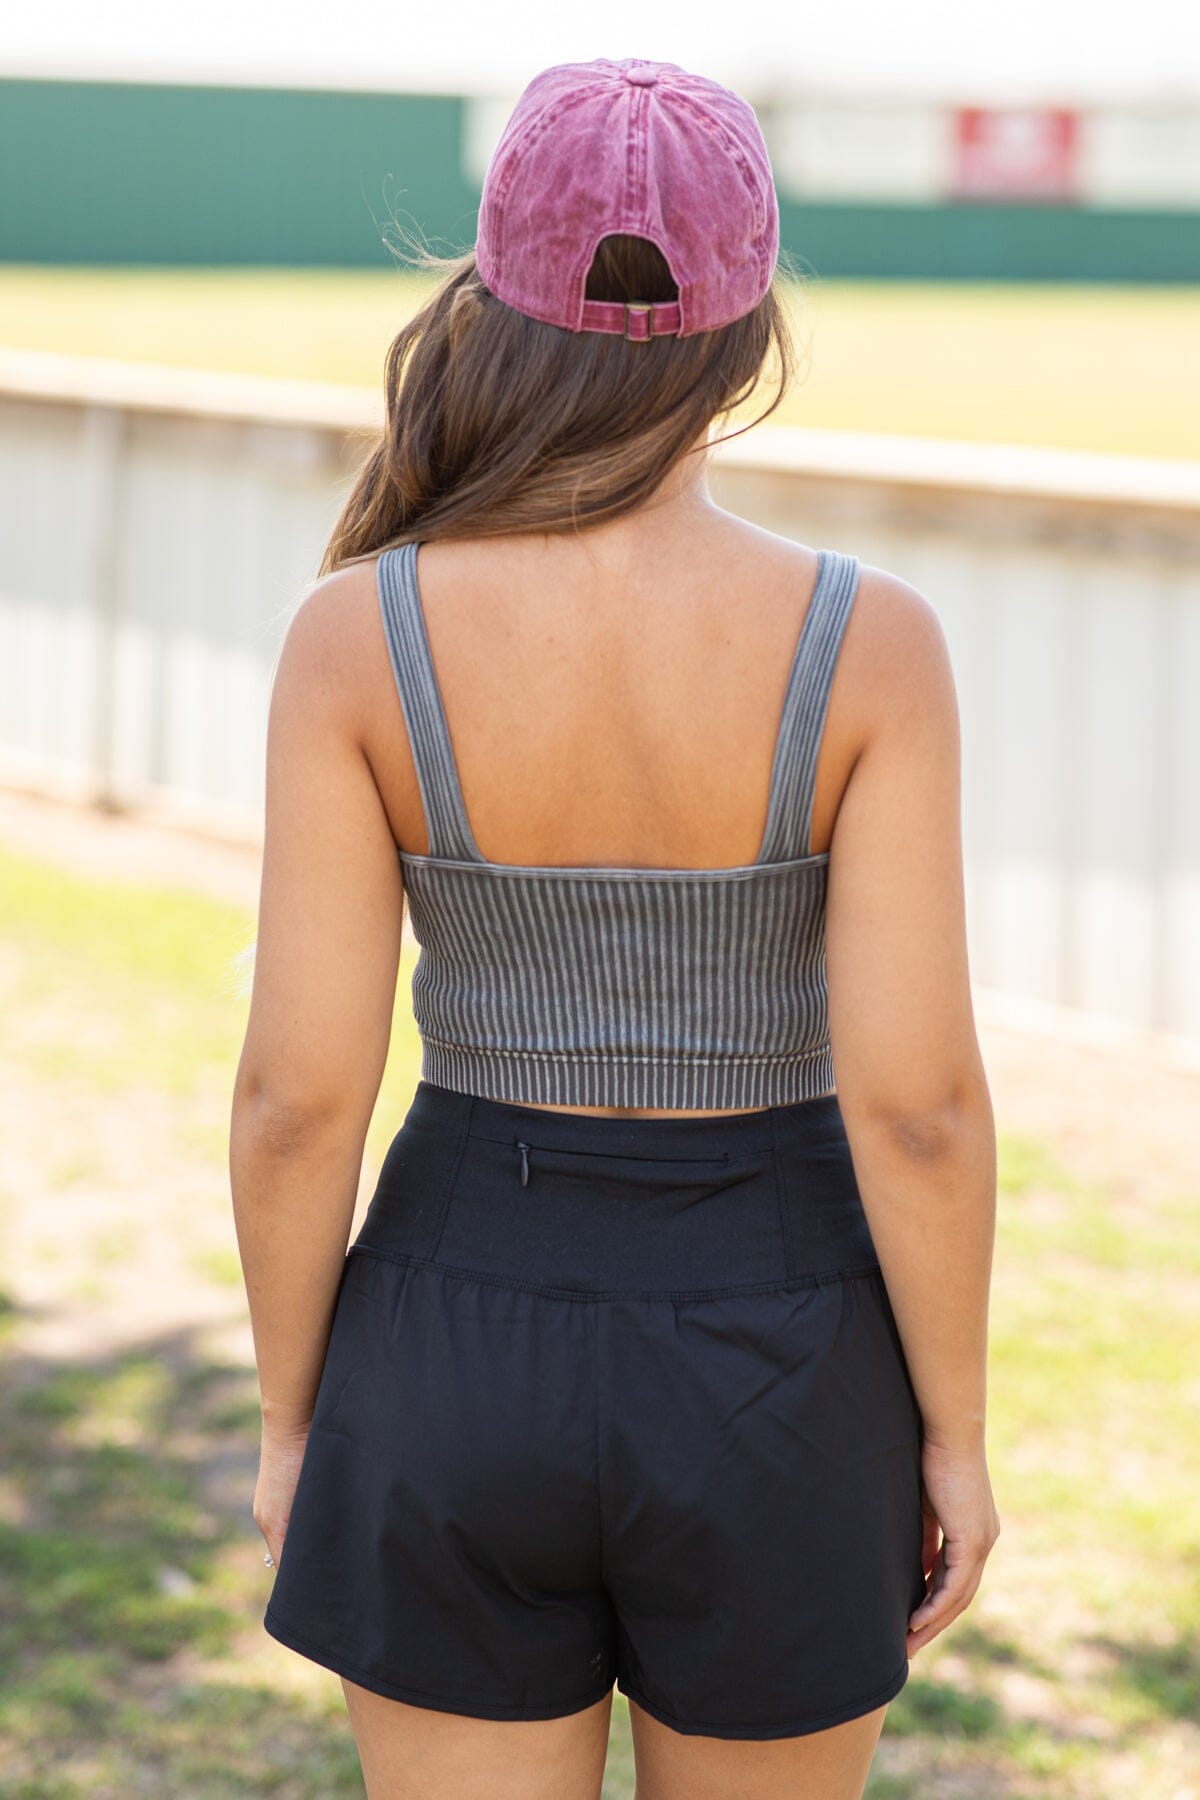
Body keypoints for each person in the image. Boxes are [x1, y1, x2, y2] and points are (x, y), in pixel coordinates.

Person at [229, 54, 1000, 1800]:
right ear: (746, 331)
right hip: (785, 1357)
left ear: (499, 296)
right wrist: (951, 1434)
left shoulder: (355, 638)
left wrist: (296, 1418)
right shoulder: (874, 647)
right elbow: (921, 1109)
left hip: (446, 1347)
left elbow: (294, 1099)